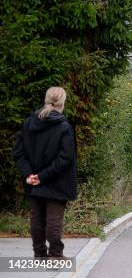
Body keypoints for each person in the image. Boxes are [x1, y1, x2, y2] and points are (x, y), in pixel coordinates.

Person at [13, 87, 77, 258]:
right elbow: (65, 158)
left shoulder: (29, 123)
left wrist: (30, 175)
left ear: (46, 100)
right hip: (56, 182)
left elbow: (19, 152)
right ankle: (55, 256)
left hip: (33, 180)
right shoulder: (64, 127)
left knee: (37, 218)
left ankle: (39, 254)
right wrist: (42, 177)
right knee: (53, 221)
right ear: (62, 102)